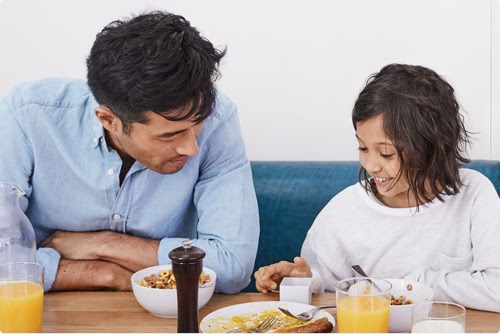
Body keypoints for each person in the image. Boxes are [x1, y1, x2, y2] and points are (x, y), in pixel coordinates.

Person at [0, 11, 259, 294]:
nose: (191, 147)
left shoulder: (218, 119)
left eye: (196, 126)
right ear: (109, 120)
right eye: (169, 135)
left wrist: (104, 244)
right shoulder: (26, 116)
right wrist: (104, 273)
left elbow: (233, 267)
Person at [254, 64, 500, 312]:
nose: (371, 165)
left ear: (431, 147)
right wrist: (302, 281)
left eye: (386, 153)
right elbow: (324, 292)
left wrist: (419, 283)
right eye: (363, 149)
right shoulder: (342, 213)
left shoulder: (473, 194)